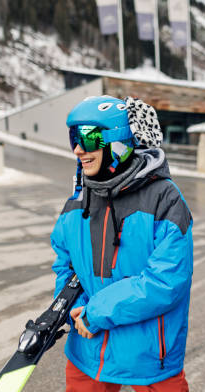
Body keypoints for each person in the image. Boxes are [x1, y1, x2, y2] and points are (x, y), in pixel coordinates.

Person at [51, 96, 193, 392]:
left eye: (88, 138)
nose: (78, 149)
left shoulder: (164, 199)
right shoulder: (79, 198)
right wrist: (74, 306)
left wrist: (96, 313)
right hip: (86, 350)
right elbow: (64, 265)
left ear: (117, 140)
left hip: (148, 355)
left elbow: (165, 282)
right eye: (74, 138)